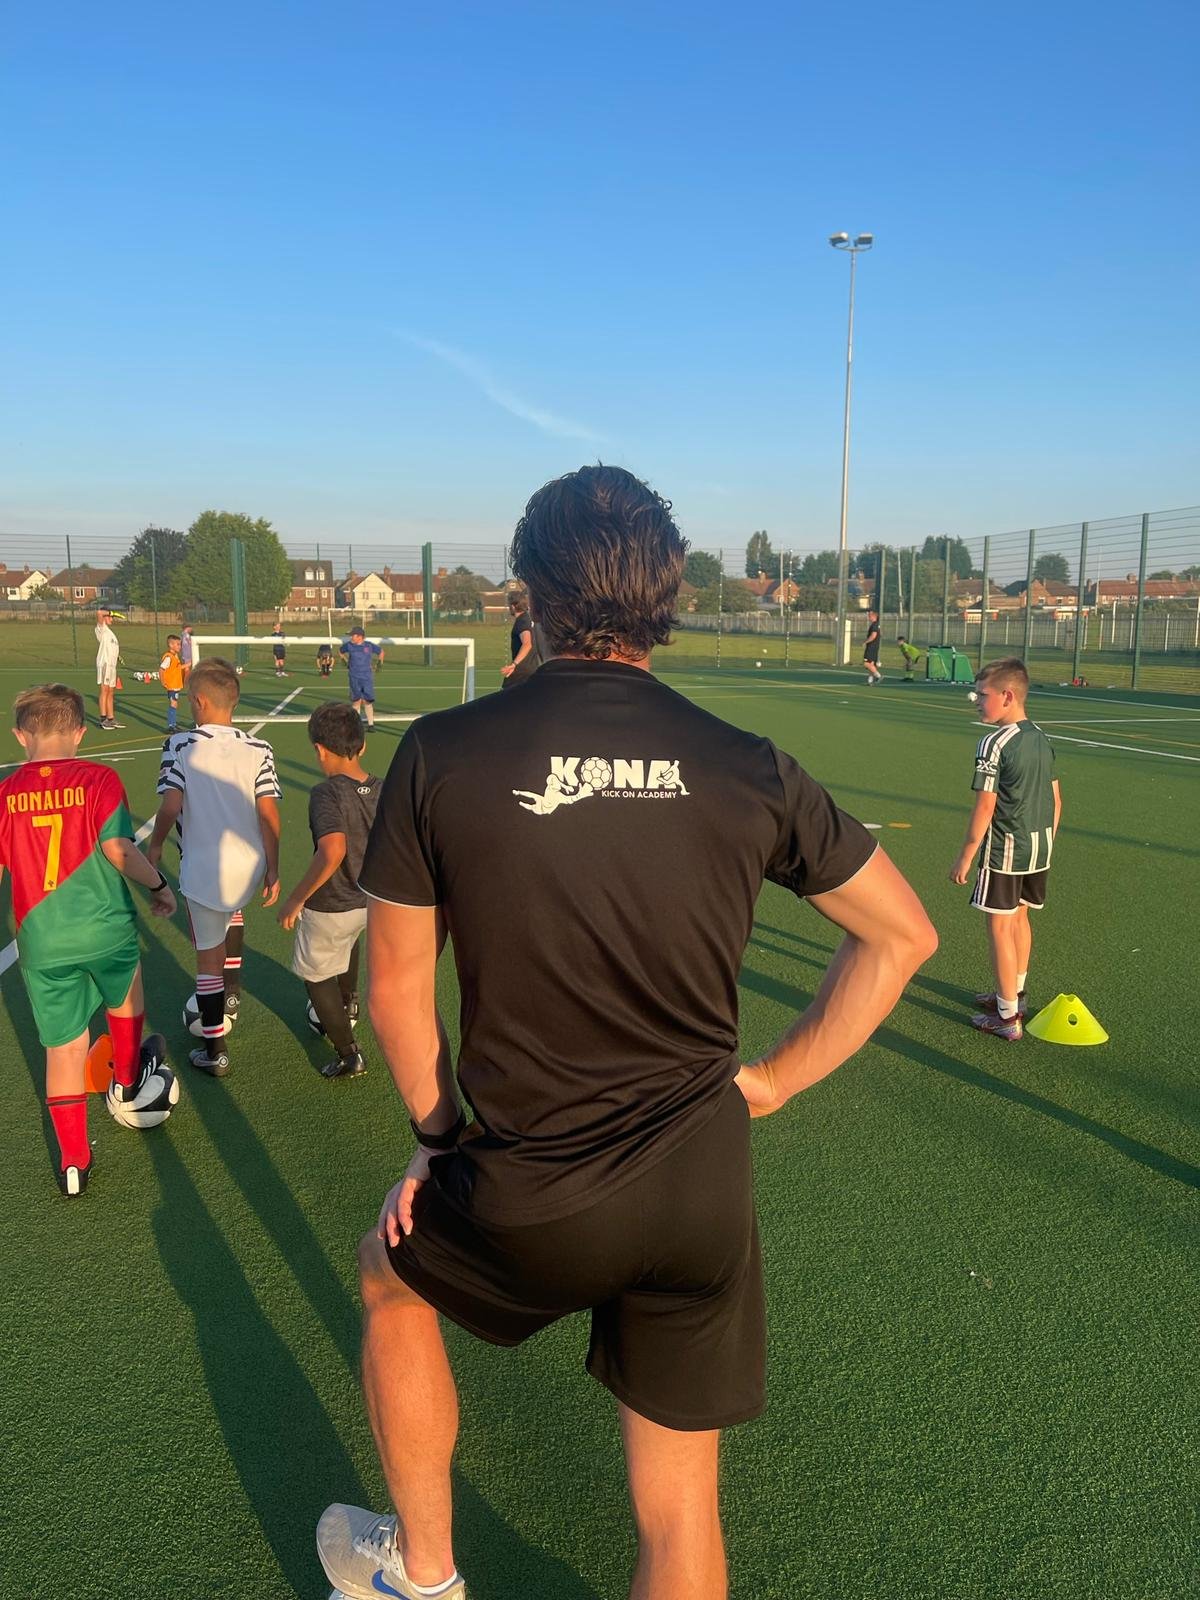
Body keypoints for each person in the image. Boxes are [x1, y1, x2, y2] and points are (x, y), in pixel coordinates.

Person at [315, 464, 937, 1600]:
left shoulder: (443, 754)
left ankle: (425, 1570)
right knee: (681, 1506)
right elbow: (901, 937)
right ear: (667, 595)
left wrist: (439, 1134)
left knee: (388, 1278)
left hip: (528, 1180)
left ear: (529, 595)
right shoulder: (749, 762)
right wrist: (772, 1085)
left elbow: (399, 990)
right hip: (699, 1187)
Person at [0, 684, 176, 1195]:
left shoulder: (7, 793)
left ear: (20, 736)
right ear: (79, 732)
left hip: (41, 939)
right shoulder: (99, 777)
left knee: (64, 1050)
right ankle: (125, 1080)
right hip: (105, 929)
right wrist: (161, 887)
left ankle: (74, 1162)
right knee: (125, 997)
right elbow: (119, 849)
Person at [146, 657, 281, 1078]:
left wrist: (153, 850)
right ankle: (234, 992)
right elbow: (270, 815)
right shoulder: (260, 747)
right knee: (233, 912)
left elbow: (170, 805)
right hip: (249, 864)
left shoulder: (181, 745)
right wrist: (273, 869)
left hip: (204, 867)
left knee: (207, 959)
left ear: (200, 701)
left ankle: (215, 1049)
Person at [949, 656, 1061, 1041]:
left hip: (1006, 850)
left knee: (999, 925)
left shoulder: (994, 742)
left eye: (983, 695)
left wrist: (966, 854)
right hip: (1039, 848)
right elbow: (1056, 800)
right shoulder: (1041, 738)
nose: (977, 701)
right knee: (1019, 920)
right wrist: (1045, 843)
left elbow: (986, 804)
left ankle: (1007, 1016)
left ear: (1008, 696)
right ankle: (1016, 995)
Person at [278, 703, 382, 1080]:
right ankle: (350, 1003)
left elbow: (333, 849)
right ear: (362, 746)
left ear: (320, 750)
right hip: (370, 900)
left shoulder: (326, 793)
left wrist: (296, 898)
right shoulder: (382, 788)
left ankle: (348, 1053)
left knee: (316, 975)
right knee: (350, 942)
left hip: (332, 905)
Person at [340, 627, 384, 730]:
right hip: (354, 676)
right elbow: (340, 651)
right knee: (356, 701)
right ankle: (357, 724)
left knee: (368, 701)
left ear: (360, 637)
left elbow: (381, 652)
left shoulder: (369, 645)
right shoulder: (349, 646)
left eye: (353, 635)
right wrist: (344, 660)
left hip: (367, 677)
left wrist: (379, 664)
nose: (351, 637)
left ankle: (371, 724)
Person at [500, 587, 539, 688]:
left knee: (504, 700)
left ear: (513, 606)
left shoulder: (522, 621)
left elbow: (527, 644)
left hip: (521, 672)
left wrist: (514, 664)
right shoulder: (528, 618)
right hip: (531, 670)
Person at [147, 633, 185, 731]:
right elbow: (161, 669)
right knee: (173, 703)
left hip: (176, 684)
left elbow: (177, 668)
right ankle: (171, 725)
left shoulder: (175, 656)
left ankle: (173, 724)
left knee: (175, 704)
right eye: (178, 644)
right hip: (172, 684)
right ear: (171, 645)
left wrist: (188, 665)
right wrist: (163, 681)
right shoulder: (168, 657)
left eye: (180, 644)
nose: (179, 646)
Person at [95, 607, 122, 728]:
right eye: (110, 617)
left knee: (111, 691)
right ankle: (103, 719)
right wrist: (111, 612)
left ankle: (111, 718)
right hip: (104, 663)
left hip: (112, 665)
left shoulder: (110, 633)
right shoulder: (102, 629)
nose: (112, 619)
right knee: (104, 690)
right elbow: (99, 612)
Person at [862, 609, 882, 685]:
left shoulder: (875, 625)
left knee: (866, 663)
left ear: (874, 616)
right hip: (874, 646)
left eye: (870, 615)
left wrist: (865, 642)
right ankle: (870, 681)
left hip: (872, 646)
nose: (868, 617)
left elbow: (873, 636)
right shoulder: (876, 624)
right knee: (871, 664)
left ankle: (878, 676)